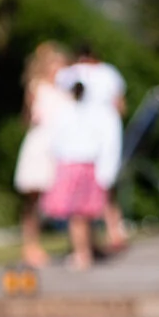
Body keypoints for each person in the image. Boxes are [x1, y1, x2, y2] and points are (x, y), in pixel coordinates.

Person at [42, 80, 123, 271]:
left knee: (78, 216)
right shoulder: (95, 113)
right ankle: (86, 250)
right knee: (83, 215)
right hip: (86, 166)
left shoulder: (65, 113)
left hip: (73, 166)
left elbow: (55, 142)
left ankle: (82, 253)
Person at [56, 43, 128, 252]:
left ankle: (103, 236)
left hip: (81, 142)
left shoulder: (72, 74)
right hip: (103, 133)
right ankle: (113, 230)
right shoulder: (109, 73)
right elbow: (120, 105)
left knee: (91, 189)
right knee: (105, 184)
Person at [12, 42, 73, 268]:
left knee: (70, 198)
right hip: (41, 147)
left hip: (63, 148)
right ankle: (31, 246)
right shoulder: (37, 87)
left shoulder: (67, 89)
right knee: (33, 200)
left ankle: (79, 243)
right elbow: (28, 118)